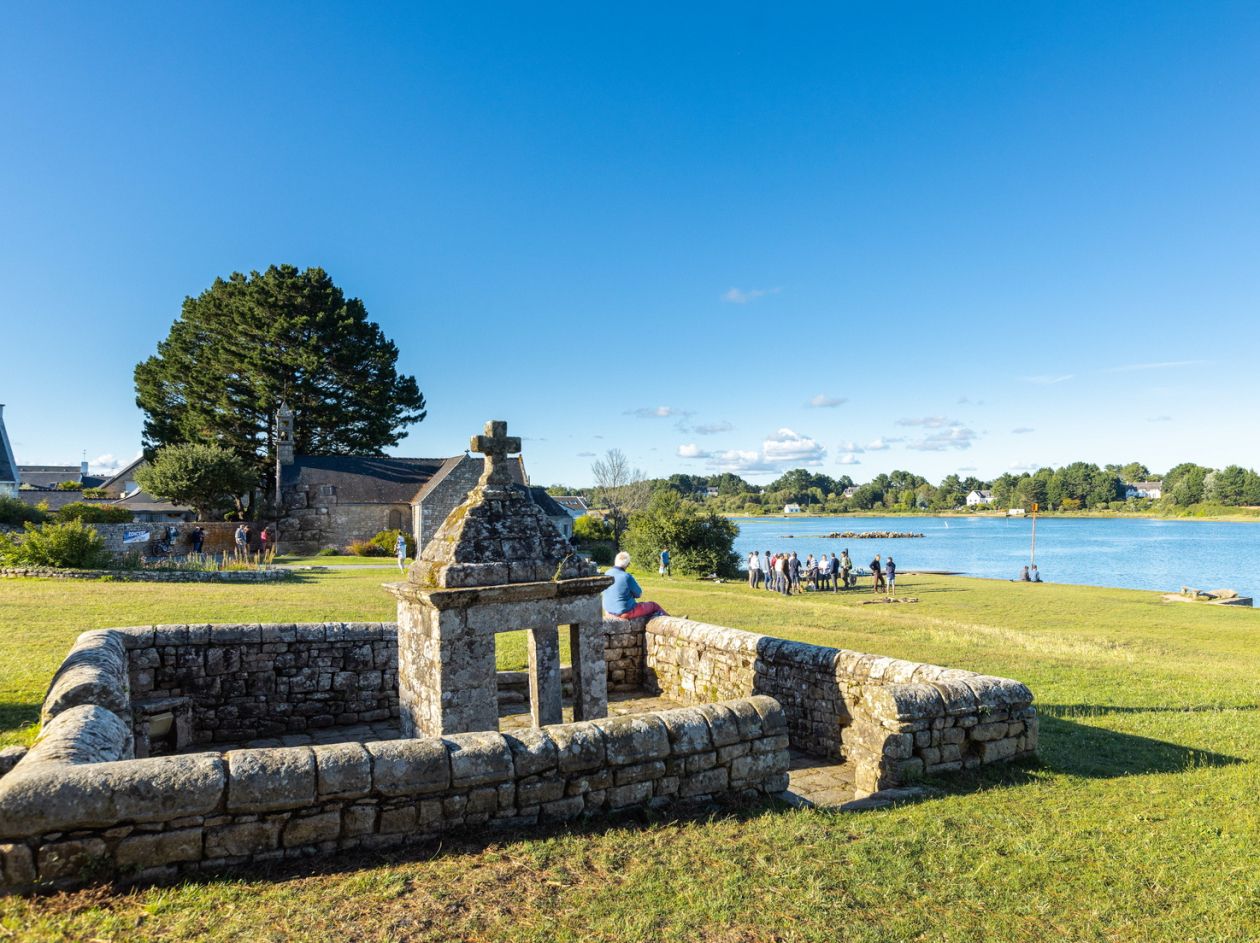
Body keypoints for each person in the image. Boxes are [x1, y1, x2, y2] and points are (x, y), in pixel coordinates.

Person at [603, 552, 668, 619]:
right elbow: (638, 594)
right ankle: (668, 620)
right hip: (625, 612)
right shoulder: (626, 577)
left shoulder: (607, 573)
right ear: (627, 564)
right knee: (654, 606)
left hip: (608, 611)